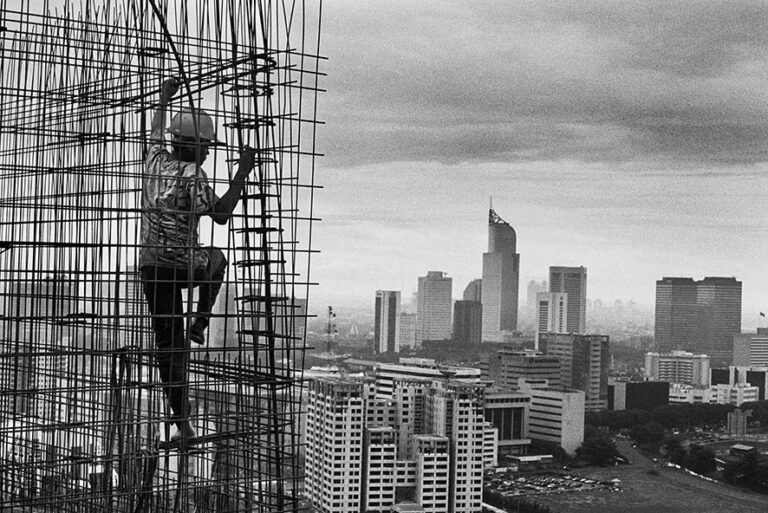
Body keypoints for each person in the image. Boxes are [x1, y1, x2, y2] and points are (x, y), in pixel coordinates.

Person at [139, 79, 255, 441]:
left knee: (167, 347)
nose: (207, 154)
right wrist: (242, 173)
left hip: (151, 266)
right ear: (195, 146)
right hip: (185, 265)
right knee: (218, 259)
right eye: (206, 147)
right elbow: (220, 214)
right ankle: (201, 322)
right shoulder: (194, 176)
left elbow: (156, 130)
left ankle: (182, 422)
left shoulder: (155, 160)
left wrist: (163, 98)